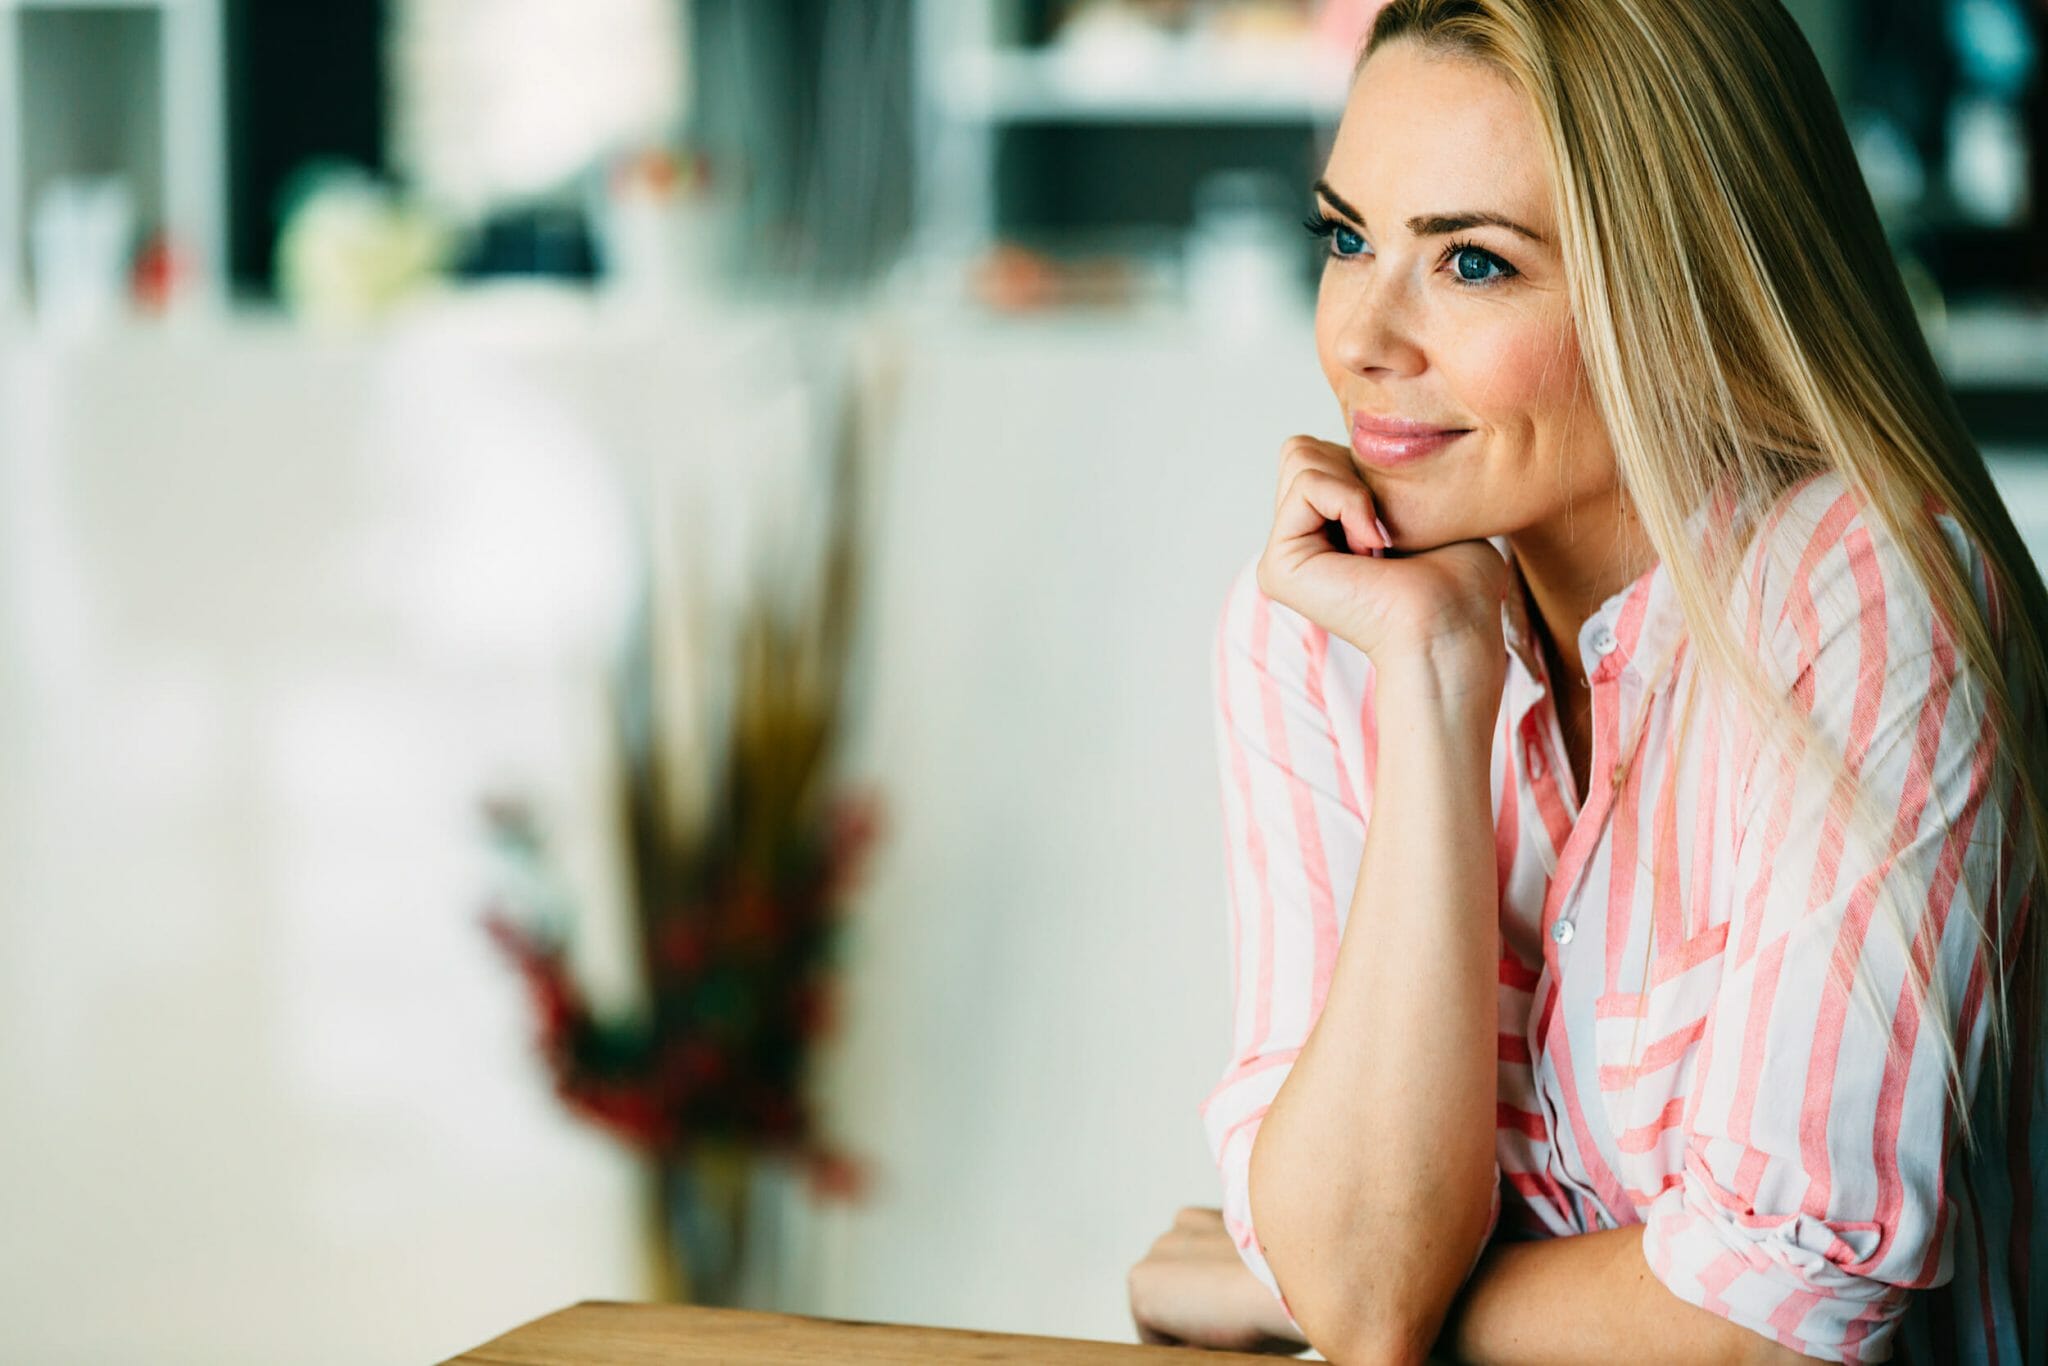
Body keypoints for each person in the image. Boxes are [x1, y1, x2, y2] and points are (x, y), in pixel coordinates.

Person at [1125, 1, 2048, 1362]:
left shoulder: (1864, 598)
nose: (1366, 338)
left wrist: (1307, 1294)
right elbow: (1366, 1286)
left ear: (1691, 291)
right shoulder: (1327, 625)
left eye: (1474, 264)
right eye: (1347, 237)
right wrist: (1438, 679)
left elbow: (1771, 1325)